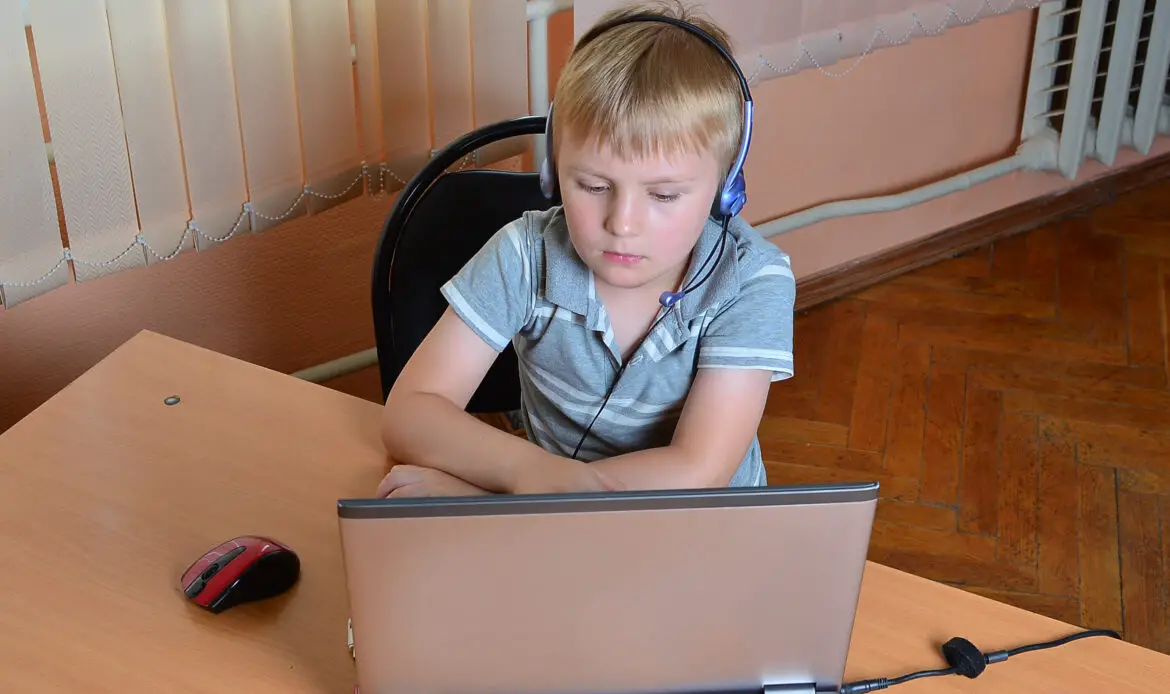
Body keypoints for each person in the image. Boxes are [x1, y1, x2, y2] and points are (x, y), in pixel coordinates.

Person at [376, 0, 795, 498]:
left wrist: (499, 499)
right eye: (594, 186)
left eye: (663, 195)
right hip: (549, 518)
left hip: (697, 528)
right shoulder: (525, 255)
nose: (622, 223)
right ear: (554, 170)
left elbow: (698, 473)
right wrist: (528, 475)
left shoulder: (750, 281)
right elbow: (410, 412)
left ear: (726, 189)